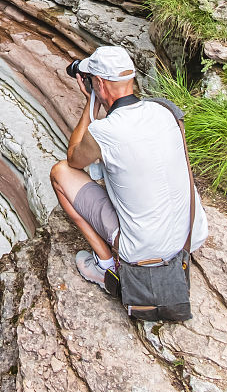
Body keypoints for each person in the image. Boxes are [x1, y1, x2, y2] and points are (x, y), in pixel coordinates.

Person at [50, 44, 208, 288]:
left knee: (60, 173)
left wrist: (91, 104)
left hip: (142, 252)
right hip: (190, 237)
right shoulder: (165, 110)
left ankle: (105, 267)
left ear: (100, 84)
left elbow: (73, 159)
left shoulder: (105, 132)